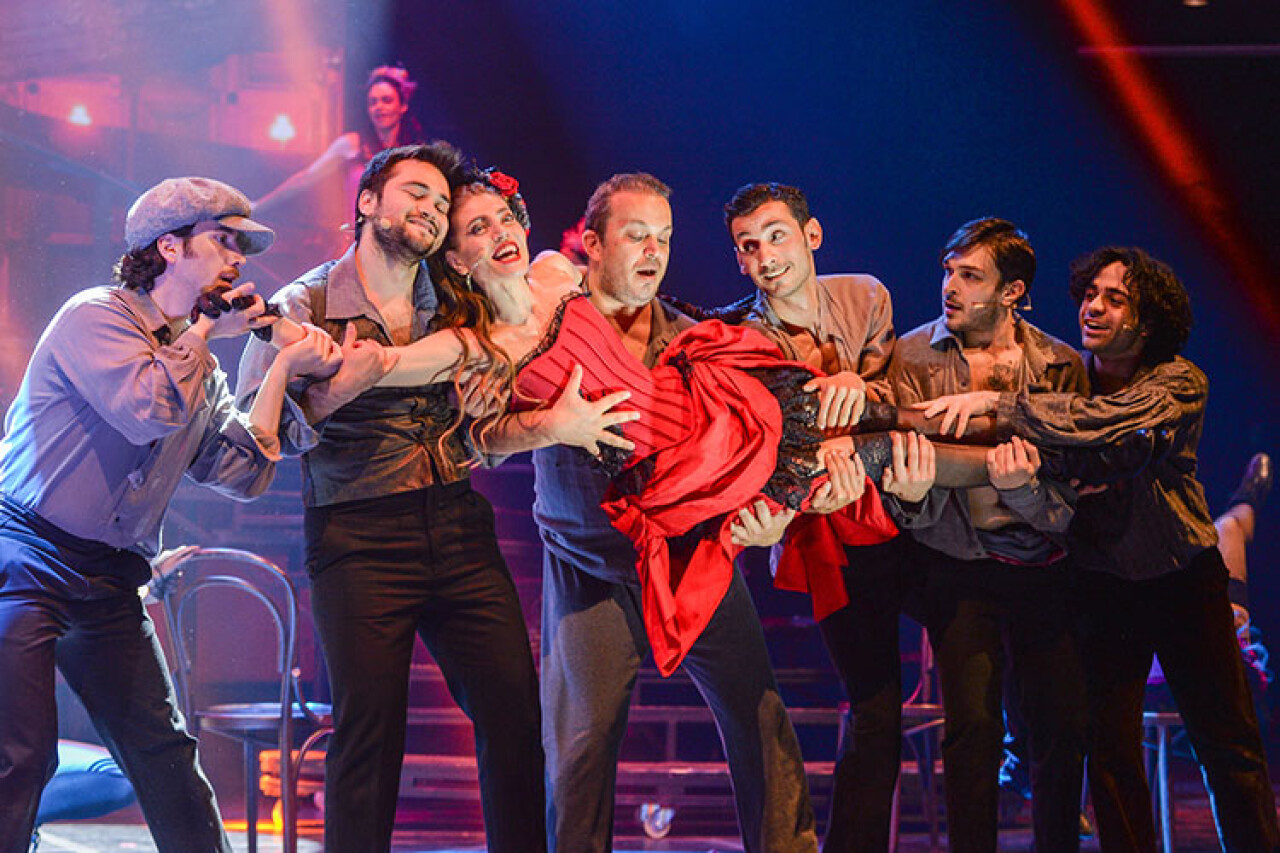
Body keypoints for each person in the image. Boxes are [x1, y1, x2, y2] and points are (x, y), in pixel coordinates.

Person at [0, 176, 335, 853]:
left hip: (108, 579)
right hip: (26, 555)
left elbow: (240, 473)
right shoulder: (95, 317)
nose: (238, 259)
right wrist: (206, 329)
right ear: (169, 247)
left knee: (166, 757)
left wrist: (278, 367)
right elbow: (145, 408)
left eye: (243, 247)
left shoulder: (200, 368)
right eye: (224, 240)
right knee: (23, 753)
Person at [236, 142, 546, 853]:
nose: (431, 210)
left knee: (514, 712)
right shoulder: (306, 303)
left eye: (441, 204)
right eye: (416, 193)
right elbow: (257, 431)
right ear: (367, 200)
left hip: (458, 522)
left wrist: (487, 406)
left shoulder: (455, 298)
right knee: (368, 732)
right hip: (358, 535)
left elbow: (494, 400)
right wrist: (335, 391)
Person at [925, 247, 1280, 851]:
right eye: (1090, 294)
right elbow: (1061, 434)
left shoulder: (1179, 380)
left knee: (1228, 745)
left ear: (1148, 321)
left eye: (1115, 300)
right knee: (1111, 753)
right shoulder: (1066, 376)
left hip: (1181, 577)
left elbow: (1105, 422)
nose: (1093, 307)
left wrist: (1002, 407)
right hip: (1101, 585)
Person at [721, 181, 936, 852]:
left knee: (990, 639)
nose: (765, 257)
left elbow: (897, 393)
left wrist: (857, 386)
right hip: (829, 530)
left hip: (908, 509)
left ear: (811, 235)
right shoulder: (740, 336)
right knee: (876, 710)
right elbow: (766, 438)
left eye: (776, 236)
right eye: (748, 246)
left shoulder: (865, 295)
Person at [885, 218, 1089, 852]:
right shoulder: (913, 354)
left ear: (1012, 291)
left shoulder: (1060, 363)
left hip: (1044, 564)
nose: (950, 286)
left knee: (1058, 725)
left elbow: (1071, 489)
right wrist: (912, 496)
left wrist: (1022, 487)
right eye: (948, 271)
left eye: (970, 276)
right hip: (958, 562)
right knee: (972, 726)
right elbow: (910, 482)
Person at [254, 66, 426, 255]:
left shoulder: (412, 153)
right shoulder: (352, 144)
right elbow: (304, 179)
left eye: (387, 100)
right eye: (373, 102)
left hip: (396, 248)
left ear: (402, 106)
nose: (379, 107)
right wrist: (259, 205)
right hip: (356, 246)